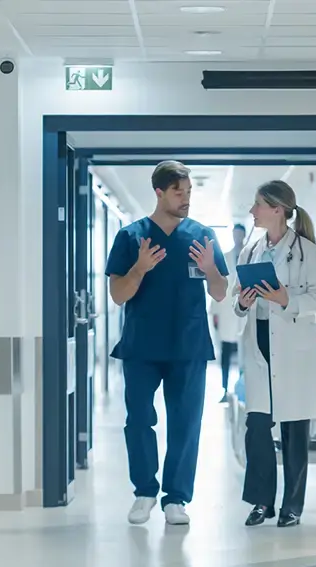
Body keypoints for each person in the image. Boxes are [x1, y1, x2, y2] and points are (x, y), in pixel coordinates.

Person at [106, 160, 229, 526]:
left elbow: (220, 293)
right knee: (139, 420)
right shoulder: (131, 237)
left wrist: (210, 269)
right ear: (159, 192)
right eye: (179, 192)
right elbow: (117, 294)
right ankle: (144, 492)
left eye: (189, 192)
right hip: (142, 346)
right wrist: (140, 268)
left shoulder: (203, 235)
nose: (186, 198)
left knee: (186, 423)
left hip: (188, 345)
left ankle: (176, 498)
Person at [233, 181, 316, 528]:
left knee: (294, 431)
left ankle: (292, 506)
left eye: (258, 204)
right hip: (259, 344)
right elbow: (238, 298)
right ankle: (262, 502)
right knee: (257, 428)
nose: (252, 211)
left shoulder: (307, 251)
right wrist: (242, 302)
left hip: (293, 348)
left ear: (277, 209)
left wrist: (285, 299)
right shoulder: (251, 250)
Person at [211, 223, 246, 401]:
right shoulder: (224, 258)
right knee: (226, 354)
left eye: (240, 234)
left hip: (245, 313)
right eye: (235, 234)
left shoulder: (251, 256)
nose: (237, 238)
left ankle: (242, 390)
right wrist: (214, 314)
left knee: (244, 354)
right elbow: (215, 285)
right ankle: (225, 390)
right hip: (227, 312)